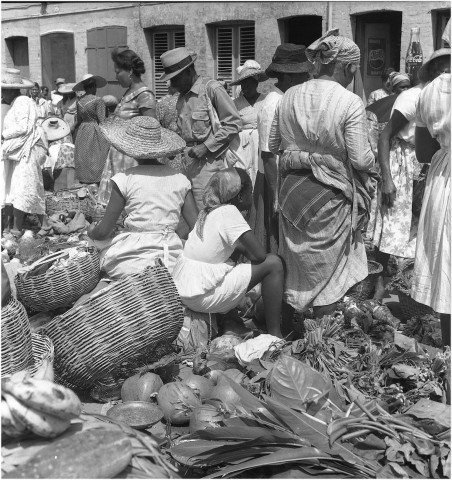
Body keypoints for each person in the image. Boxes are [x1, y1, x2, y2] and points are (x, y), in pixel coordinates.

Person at [269, 29, 375, 319]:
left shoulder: (287, 96)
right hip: (330, 193)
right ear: (349, 66)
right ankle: (325, 330)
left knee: (300, 265)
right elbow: (361, 159)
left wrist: (302, 152)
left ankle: (297, 322)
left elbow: (272, 145)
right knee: (329, 274)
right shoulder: (350, 101)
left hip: (292, 190)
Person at [173, 168, 285, 339]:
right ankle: (275, 335)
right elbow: (260, 256)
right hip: (201, 297)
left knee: (231, 263)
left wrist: (239, 247)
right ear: (240, 197)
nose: (251, 196)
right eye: (250, 192)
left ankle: (231, 322)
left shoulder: (208, 211)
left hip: (186, 292)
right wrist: (242, 246)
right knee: (274, 263)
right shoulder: (229, 212)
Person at [89, 116, 198, 279]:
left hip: (131, 260)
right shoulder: (180, 179)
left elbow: (103, 231)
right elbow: (197, 227)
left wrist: (91, 232)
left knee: (95, 249)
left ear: (129, 148)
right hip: (171, 258)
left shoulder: (124, 179)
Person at [159, 47, 242, 209]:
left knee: (208, 212)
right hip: (186, 164)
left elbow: (234, 123)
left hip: (209, 165)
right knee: (190, 216)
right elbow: (183, 130)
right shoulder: (182, 98)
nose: (172, 84)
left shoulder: (211, 89)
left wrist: (206, 146)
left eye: (175, 78)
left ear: (189, 71)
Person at [252, 43, 314, 255]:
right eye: (302, 76)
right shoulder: (273, 103)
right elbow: (268, 156)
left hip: (286, 181)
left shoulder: (287, 99)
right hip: (274, 181)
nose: (307, 80)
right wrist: (276, 198)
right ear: (286, 77)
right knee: (275, 240)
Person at [371, 71, 424, 300]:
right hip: (401, 163)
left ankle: (415, 288)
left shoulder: (439, 95)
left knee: (421, 228)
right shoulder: (412, 97)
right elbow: (385, 135)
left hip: (423, 163)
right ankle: (379, 285)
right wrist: (387, 178)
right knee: (389, 227)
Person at [411, 48, 451, 346]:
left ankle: (450, 351)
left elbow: (423, 152)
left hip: (443, 179)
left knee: (446, 266)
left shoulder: (428, 93)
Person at [97, 49, 156, 205]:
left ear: (130, 71)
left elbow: (151, 127)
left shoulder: (144, 95)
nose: (116, 77)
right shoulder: (128, 93)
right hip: (120, 155)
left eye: (118, 72)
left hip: (133, 158)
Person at [1, 68, 49, 235]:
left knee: (26, 186)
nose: (1, 95)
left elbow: (23, 127)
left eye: (3, 91)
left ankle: (21, 227)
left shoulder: (22, 101)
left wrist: (3, 135)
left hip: (31, 148)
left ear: (11, 90)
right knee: (25, 186)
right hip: (23, 149)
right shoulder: (16, 103)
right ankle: (38, 225)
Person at [228, 60, 267, 186]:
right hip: (241, 146)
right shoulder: (235, 104)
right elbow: (229, 126)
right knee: (244, 176)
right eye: (243, 84)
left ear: (256, 83)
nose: (246, 87)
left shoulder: (266, 100)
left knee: (260, 174)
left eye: (249, 83)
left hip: (261, 143)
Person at [71, 74, 110, 185]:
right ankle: (96, 181)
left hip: (83, 130)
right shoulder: (98, 100)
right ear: (93, 87)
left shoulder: (79, 101)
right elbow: (102, 120)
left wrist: (72, 128)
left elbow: (78, 120)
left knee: (84, 157)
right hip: (94, 129)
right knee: (97, 156)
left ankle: (84, 181)